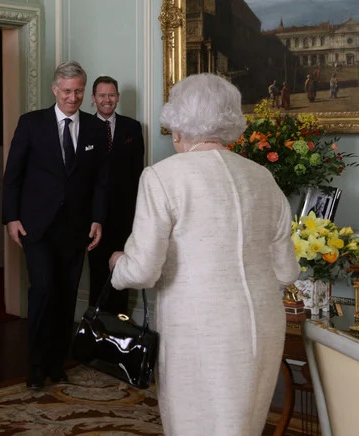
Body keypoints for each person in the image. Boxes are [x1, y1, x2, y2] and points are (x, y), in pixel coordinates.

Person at [108, 73, 300, 436]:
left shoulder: (163, 177)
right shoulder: (263, 176)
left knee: (194, 425)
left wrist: (118, 265)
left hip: (197, 326)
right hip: (263, 323)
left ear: (178, 125)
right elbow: (287, 270)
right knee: (244, 424)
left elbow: (143, 271)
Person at [2, 61, 108, 390]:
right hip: (36, 226)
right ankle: (36, 367)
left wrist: (97, 218)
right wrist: (11, 218)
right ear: (54, 89)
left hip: (76, 228)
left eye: (78, 91)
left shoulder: (95, 128)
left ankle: (57, 363)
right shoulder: (31, 123)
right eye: (66, 91)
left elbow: (101, 181)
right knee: (43, 291)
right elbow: (13, 175)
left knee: (66, 296)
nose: (72, 97)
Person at [88, 76, 144, 315]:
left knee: (123, 272)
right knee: (98, 273)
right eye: (102, 95)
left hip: (125, 215)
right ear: (93, 99)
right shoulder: (84, 127)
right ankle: (96, 330)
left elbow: (138, 173)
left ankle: (121, 332)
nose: (107, 100)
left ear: (118, 97)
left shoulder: (133, 127)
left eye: (111, 95)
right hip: (93, 216)